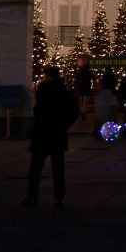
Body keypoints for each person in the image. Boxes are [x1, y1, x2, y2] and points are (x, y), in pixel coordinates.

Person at [22, 68, 80, 207]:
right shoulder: (64, 90)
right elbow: (73, 112)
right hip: (57, 133)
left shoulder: (43, 89)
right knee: (58, 167)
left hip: (42, 133)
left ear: (47, 75)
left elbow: (38, 111)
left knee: (36, 167)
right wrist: (64, 125)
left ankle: (32, 196)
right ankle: (58, 197)